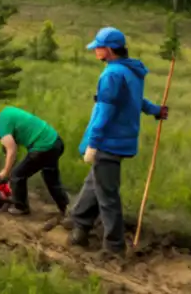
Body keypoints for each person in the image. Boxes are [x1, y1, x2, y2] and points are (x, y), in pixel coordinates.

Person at [70, 27, 169, 257]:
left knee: (107, 196)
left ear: (109, 49)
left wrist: (93, 144)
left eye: (98, 47)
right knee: (94, 183)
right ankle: (79, 225)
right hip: (122, 141)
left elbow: (105, 112)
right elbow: (136, 100)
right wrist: (155, 110)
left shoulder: (111, 75)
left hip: (108, 142)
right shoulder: (130, 71)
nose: (95, 50)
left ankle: (114, 247)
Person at [0, 105, 69, 217]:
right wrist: (6, 176)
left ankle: (21, 207)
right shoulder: (7, 113)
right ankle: (65, 209)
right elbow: (11, 151)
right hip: (55, 142)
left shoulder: (2, 127)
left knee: (17, 175)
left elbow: (12, 150)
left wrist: (5, 173)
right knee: (50, 177)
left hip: (43, 147)